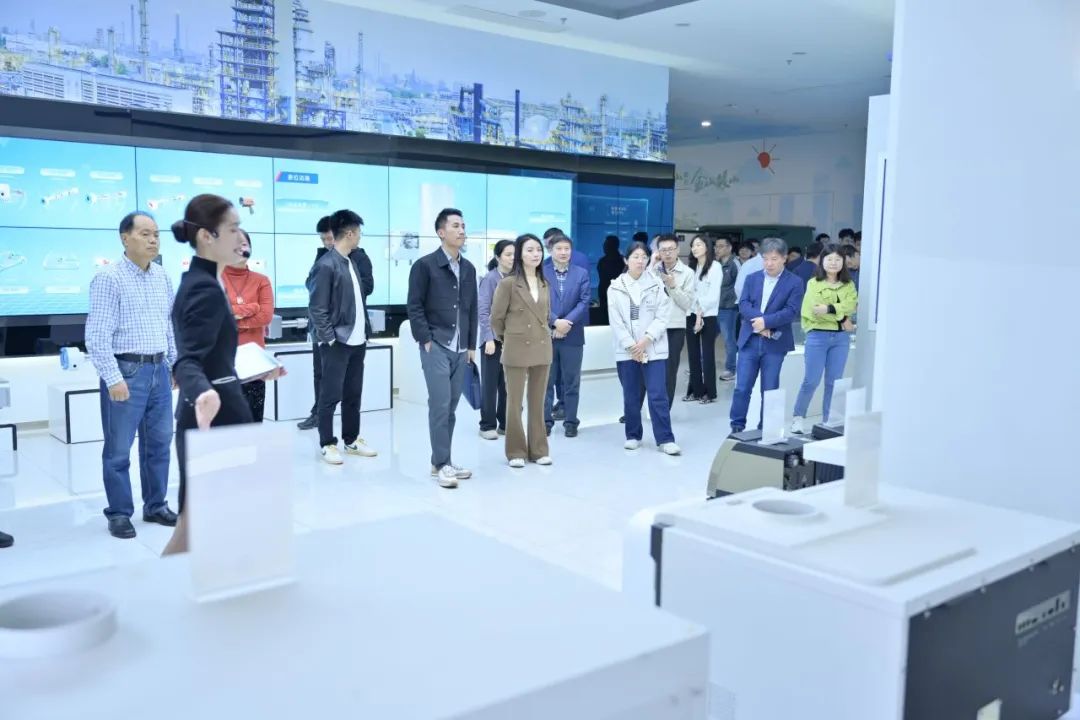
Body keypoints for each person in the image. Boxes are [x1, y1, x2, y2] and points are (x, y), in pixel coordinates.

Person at [164, 194, 282, 556]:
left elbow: (211, 359)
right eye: (232, 229)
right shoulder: (203, 288)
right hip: (213, 420)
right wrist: (203, 392)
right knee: (199, 526)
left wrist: (251, 370)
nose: (240, 238)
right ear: (206, 236)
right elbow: (187, 361)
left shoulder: (203, 282)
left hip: (218, 412)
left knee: (198, 526)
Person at [85, 211, 178, 540]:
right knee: (119, 449)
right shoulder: (108, 278)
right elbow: (97, 335)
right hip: (127, 371)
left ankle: (156, 505)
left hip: (159, 370)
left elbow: (168, 325)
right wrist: (113, 378)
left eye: (156, 234)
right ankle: (120, 513)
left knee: (160, 444)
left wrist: (174, 364)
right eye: (144, 234)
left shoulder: (162, 276)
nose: (153, 240)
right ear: (125, 238)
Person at [407, 208, 478, 489]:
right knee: (440, 405)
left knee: (451, 407)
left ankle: (442, 460)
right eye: (455, 226)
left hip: (461, 347)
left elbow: (471, 309)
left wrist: (471, 344)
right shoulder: (424, 266)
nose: (461, 231)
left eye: (463, 226)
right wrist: (424, 339)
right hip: (436, 343)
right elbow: (414, 306)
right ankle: (441, 464)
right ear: (441, 232)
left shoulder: (469, 268)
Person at [309, 209, 378, 464]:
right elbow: (317, 308)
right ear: (349, 233)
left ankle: (351, 439)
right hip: (337, 342)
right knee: (329, 396)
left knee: (353, 394)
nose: (359, 237)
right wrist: (329, 339)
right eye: (358, 232)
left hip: (358, 340)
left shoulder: (351, 261)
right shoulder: (326, 265)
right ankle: (327, 443)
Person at [607, 242, 681, 455]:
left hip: (653, 348)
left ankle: (665, 439)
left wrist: (646, 340)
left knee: (658, 395)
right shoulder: (615, 287)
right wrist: (632, 346)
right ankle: (633, 435)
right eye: (636, 257)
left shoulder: (657, 285)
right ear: (626, 260)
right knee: (631, 395)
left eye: (644, 257)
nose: (640, 261)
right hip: (627, 350)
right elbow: (616, 321)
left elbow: (663, 315)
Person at [729, 237, 806, 434]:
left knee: (770, 389)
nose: (769, 263)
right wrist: (760, 323)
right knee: (742, 387)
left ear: (784, 258)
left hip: (775, 343)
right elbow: (744, 304)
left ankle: (766, 429)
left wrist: (765, 323)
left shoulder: (795, 282)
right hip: (750, 340)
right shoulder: (752, 278)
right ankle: (737, 426)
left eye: (774, 259)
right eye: (765, 259)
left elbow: (791, 311)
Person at [490, 234, 553, 467]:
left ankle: (539, 449)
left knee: (537, 402)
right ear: (519, 254)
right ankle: (515, 451)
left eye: (538, 250)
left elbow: (546, 315)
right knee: (514, 403)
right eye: (530, 250)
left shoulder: (544, 282)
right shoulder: (508, 283)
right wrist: (508, 338)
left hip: (542, 347)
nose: (536, 254)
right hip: (516, 347)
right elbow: (496, 318)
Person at [791, 245, 859, 434]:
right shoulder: (814, 283)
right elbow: (814, 311)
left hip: (840, 339)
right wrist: (843, 318)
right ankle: (798, 418)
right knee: (811, 380)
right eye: (829, 259)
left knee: (833, 382)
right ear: (822, 261)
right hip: (817, 336)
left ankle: (829, 420)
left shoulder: (849, 284)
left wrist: (829, 309)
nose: (833, 263)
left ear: (843, 262)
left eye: (838, 259)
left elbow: (851, 306)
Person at [543, 234, 591, 437]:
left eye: (567, 249)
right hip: (547, 335)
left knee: (572, 381)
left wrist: (566, 323)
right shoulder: (541, 273)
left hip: (573, 335)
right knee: (546, 382)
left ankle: (571, 422)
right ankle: (545, 422)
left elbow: (584, 301)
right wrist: (555, 322)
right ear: (550, 251)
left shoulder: (581, 273)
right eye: (559, 249)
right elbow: (537, 302)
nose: (563, 252)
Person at [223, 230, 274, 422]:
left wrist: (233, 319)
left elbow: (265, 316)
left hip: (254, 363)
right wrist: (252, 307)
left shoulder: (262, 281)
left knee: (253, 421)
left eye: (244, 244)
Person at [650, 233, 697, 406]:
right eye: (663, 250)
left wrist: (673, 286)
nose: (667, 253)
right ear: (658, 252)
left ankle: (664, 409)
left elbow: (687, 303)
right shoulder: (653, 269)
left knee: (669, 371)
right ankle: (650, 406)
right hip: (652, 326)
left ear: (678, 250)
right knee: (650, 369)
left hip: (674, 327)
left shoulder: (687, 273)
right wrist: (651, 265)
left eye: (671, 249)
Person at [297, 216, 335, 430]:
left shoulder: (356, 257)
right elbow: (309, 283)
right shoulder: (321, 257)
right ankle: (318, 413)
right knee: (319, 373)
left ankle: (329, 416)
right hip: (319, 326)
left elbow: (364, 287)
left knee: (339, 376)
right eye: (323, 239)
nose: (327, 243)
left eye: (330, 238)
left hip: (339, 327)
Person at [477, 240, 514, 440]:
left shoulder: (518, 278)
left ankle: (505, 423)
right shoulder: (490, 279)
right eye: (508, 254)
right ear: (498, 257)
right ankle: (487, 425)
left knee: (508, 385)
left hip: (512, 340)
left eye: (515, 254)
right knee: (490, 385)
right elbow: (483, 311)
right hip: (492, 341)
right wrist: (489, 338)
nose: (512, 258)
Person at [685, 235, 722, 403]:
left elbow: (713, 296)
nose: (695, 248)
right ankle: (695, 390)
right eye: (693, 245)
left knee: (707, 355)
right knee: (692, 354)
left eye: (698, 245)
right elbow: (689, 293)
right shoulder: (692, 267)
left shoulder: (715, 267)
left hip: (708, 315)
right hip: (691, 313)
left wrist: (700, 314)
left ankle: (710, 392)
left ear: (707, 247)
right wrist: (695, 313)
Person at [714, 236, 739, 382]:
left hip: (728, 308)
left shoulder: (734, 264)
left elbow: (740, 286)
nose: (717, 249)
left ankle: (731, 369)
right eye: (716, 246)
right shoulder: (715, 264)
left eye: (721, 246)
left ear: (729, 248)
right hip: (714, 308)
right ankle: (702, 366)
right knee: (707, 337)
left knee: (729, 340)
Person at [597, 234, 624, 324]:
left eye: (605, 244)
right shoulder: (622, 260)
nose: (603, 247)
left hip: (610, 295)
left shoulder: (603, 261)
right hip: (610, 296)